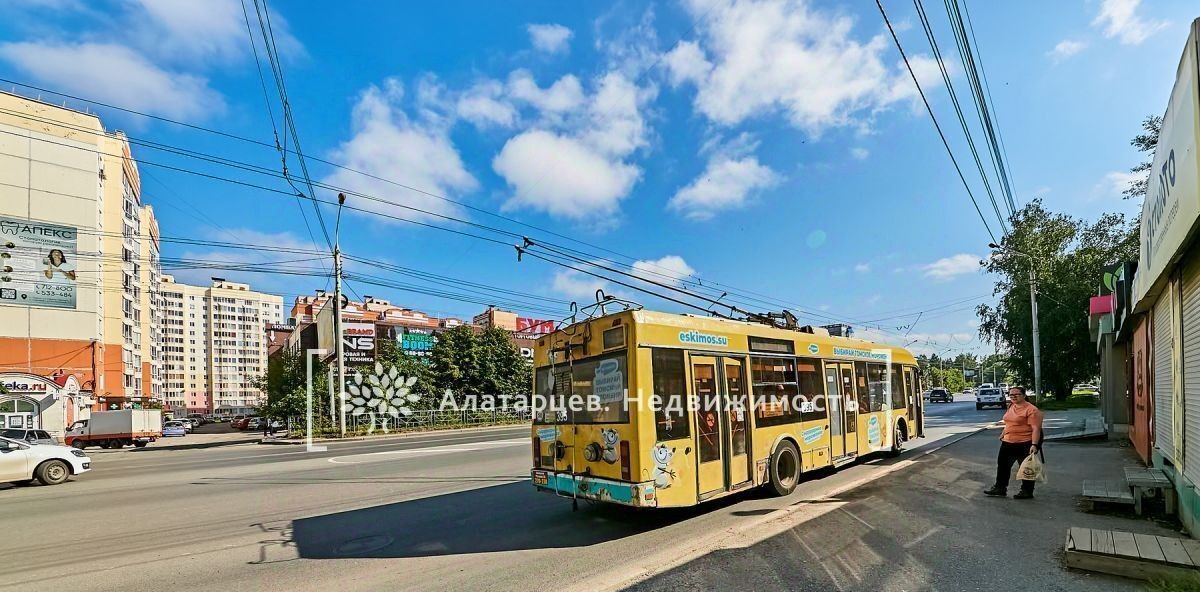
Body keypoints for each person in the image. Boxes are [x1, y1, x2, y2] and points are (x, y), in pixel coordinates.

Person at [984, 386, 1043, 499]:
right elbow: (1009, 422)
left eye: (1017, 394)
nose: (1013, 397)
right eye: (1011, 395)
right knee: (1003, 466)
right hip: (1008, 442)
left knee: (1026, 468)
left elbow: (1036, 428)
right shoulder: (1011, 406)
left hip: (1025, 443)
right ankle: (1000, 488)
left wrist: (1034, 445)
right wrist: (1003, 433)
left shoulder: (1032, 410)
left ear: (1024, 395)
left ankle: (1027, 491)